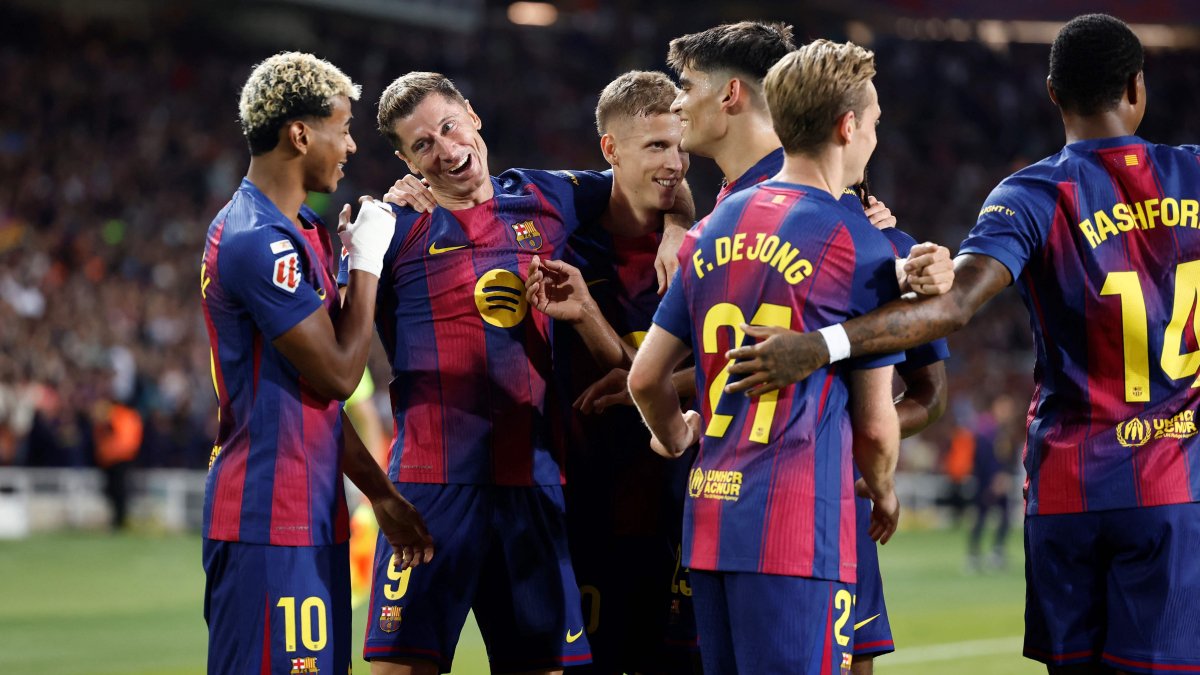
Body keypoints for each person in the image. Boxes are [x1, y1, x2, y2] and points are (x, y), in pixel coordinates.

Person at [724, 14, 1200, 674]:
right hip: (1175, 485)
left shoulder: (1032, 193)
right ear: (1137, 87)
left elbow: (951, 307)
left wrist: (818, 345)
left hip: (1069, 491)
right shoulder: (1193, 174)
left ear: (1053, 93)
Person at [356, 71, 693, 675]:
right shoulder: (391, 227)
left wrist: (675, 230)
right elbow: (334, 353)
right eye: (423, 145)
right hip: (430, 491)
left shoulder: (547, 194)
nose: (446, 150)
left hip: (533, 486)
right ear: (405, 162)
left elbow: (661, 178)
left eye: (449, 127)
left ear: (473, 115)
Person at [664, 21, 951, 672]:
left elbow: (927, 391)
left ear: (733, 95)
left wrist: (911, 270)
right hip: (771, 513)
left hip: (791, 506)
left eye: (686, 86)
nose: (676, 102)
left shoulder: (842, 210)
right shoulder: (725, 214)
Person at [200, 52, 433, 675]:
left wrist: (381, 496)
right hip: (265, 518)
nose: (351, 146)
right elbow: (339, 374)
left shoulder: (299, 228)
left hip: (313, 510)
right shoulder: (254, 238)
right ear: (300, 135)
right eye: (344, 128)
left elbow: (320, 403)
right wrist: (367, 265)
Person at [525, 70, 698, 674]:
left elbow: (713, 376)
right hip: (587, 512)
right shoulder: (562, 247)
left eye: (680, 146)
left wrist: (679, 226)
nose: (674, 163)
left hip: (679, 512)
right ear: (610, 149)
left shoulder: (708, 249)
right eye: (656, 146)